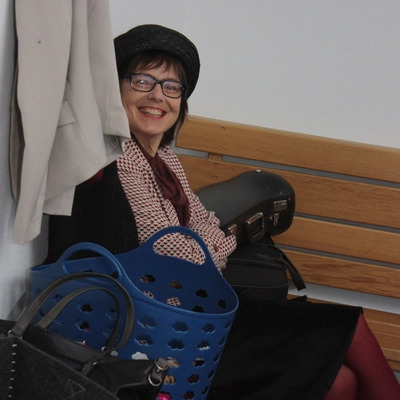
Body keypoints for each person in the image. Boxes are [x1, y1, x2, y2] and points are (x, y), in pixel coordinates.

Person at [47, 24, 400, 400]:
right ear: (114, 89)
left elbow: (205, 229)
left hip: (194, 313)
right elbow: (178, 256)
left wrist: (205, 248)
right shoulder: (118, 160)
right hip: (162, 332)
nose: (157, 96)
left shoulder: (164, 157)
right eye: (142, 81)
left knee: (341, 378)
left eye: (171, 86)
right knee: (347, 330)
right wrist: (209, 248)